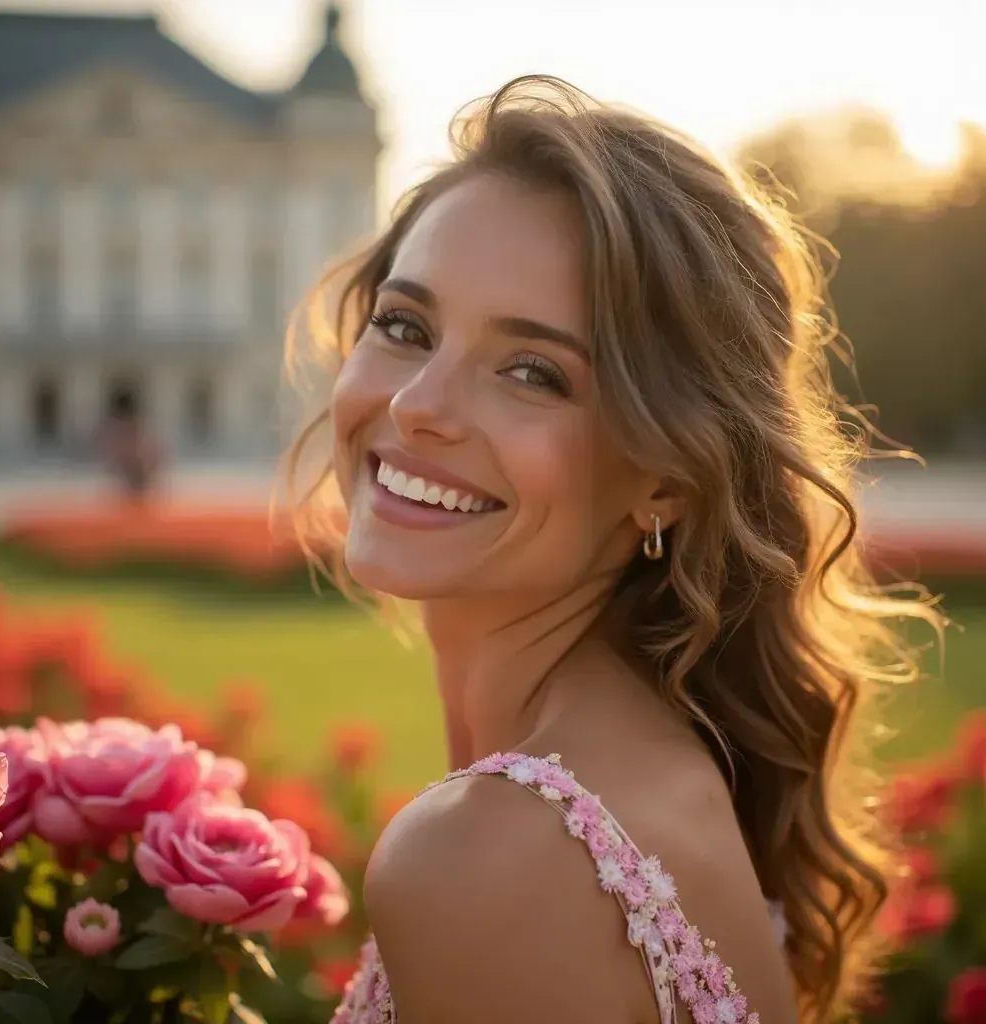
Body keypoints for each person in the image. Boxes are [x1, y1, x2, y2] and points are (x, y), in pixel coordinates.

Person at [284, 76, 941, 1024]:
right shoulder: (654, 758)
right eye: (404, 326)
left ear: (665, 478)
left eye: (532, 372)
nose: (417, 405)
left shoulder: (496, 853)